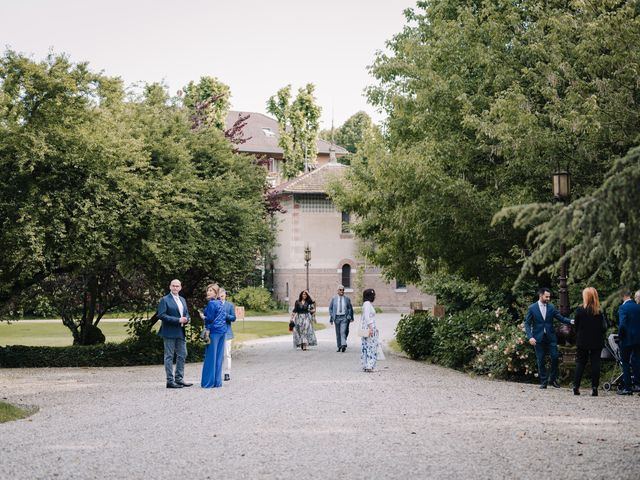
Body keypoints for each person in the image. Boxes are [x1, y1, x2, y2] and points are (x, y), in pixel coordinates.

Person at [524, 287, 574, 389]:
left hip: (551, 337)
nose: (548, 299)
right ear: (540, 295)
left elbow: (561, 318)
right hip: (538, 338)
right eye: (546, 297)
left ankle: (553, 379)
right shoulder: (532, 308)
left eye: (549, 297)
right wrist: (530, 337)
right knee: (541, 360)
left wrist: (571, 321)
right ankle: (544, 381)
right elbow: (527, 324)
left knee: (555, 357)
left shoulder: (551, 307)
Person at [157, 279, 192, 389]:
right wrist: (177, 320)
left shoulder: (182, 299)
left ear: (180, 287)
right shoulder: (165, 300)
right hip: (169, 332)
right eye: (173, 286)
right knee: (169, 356)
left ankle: (179, 379)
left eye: (177, 286)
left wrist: (187, 319)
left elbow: (186, 313)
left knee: (183, 354)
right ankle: (170, 381)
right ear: (170, 287)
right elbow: (161, 315)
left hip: (180, 331)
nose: (175, 288)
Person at [572, 287, 607, 396]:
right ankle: (594, 388)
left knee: (580, 363)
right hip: (596, 341)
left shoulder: (580, 310)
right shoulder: (599, 311)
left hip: (582, 340)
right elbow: (604, 327)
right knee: (595, 363)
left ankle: (576, 386)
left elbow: (575, 326)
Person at [200, 283, 227, 388]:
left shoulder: (211, 303)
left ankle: (208, 383)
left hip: (214, 332)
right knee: (219, 357)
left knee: (211, 357)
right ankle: (217, 382)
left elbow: (210, 318)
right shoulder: (220, 302)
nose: (208, 292)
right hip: (222, 331)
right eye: (208, 290)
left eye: (211, 290)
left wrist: (203, 317)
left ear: (216, 293)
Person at [617, 290, 640, 395]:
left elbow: (622, 325)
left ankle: (628, 388)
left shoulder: (623, 308)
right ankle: (638, 384)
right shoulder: (638, 307)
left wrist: (621, 336)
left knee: (625, 362)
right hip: (638, 339)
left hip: (627, 339)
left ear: (623, 296)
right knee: (637, 360)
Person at [329, 285, 354, 352]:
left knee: (342, 331)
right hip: (336, 317)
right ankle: (339, 346)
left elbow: (350, 308)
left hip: (344, 317)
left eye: (342, 290)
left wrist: (350, 316)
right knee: (338, 333)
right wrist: (332, 316)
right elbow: (330, 308)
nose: (341, 291)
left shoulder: (347, 299)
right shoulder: (334, 298)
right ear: (337, 291)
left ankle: (343, 344)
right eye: (340, 290)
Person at [219, 288, 236, 381]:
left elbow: (234, 318)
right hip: (216, 333)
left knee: (227, 354)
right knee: (218, 354)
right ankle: (217, 372)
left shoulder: (229, 305)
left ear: (225, 295)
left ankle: (227, 373)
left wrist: (225, 315)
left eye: (223, 295)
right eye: (220, 295)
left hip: (227, 333)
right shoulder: (215, 304)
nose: (221, 297)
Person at [360, 288, 378, 372]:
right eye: (373, 295)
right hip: (369, 328)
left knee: (366, 346)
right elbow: (367, 317)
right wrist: (371, 328)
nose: (374, 296)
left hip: (366, 328)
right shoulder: (367, 304)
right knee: (371, 346)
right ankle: (369, 365)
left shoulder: (366, 304)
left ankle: (366, 364)